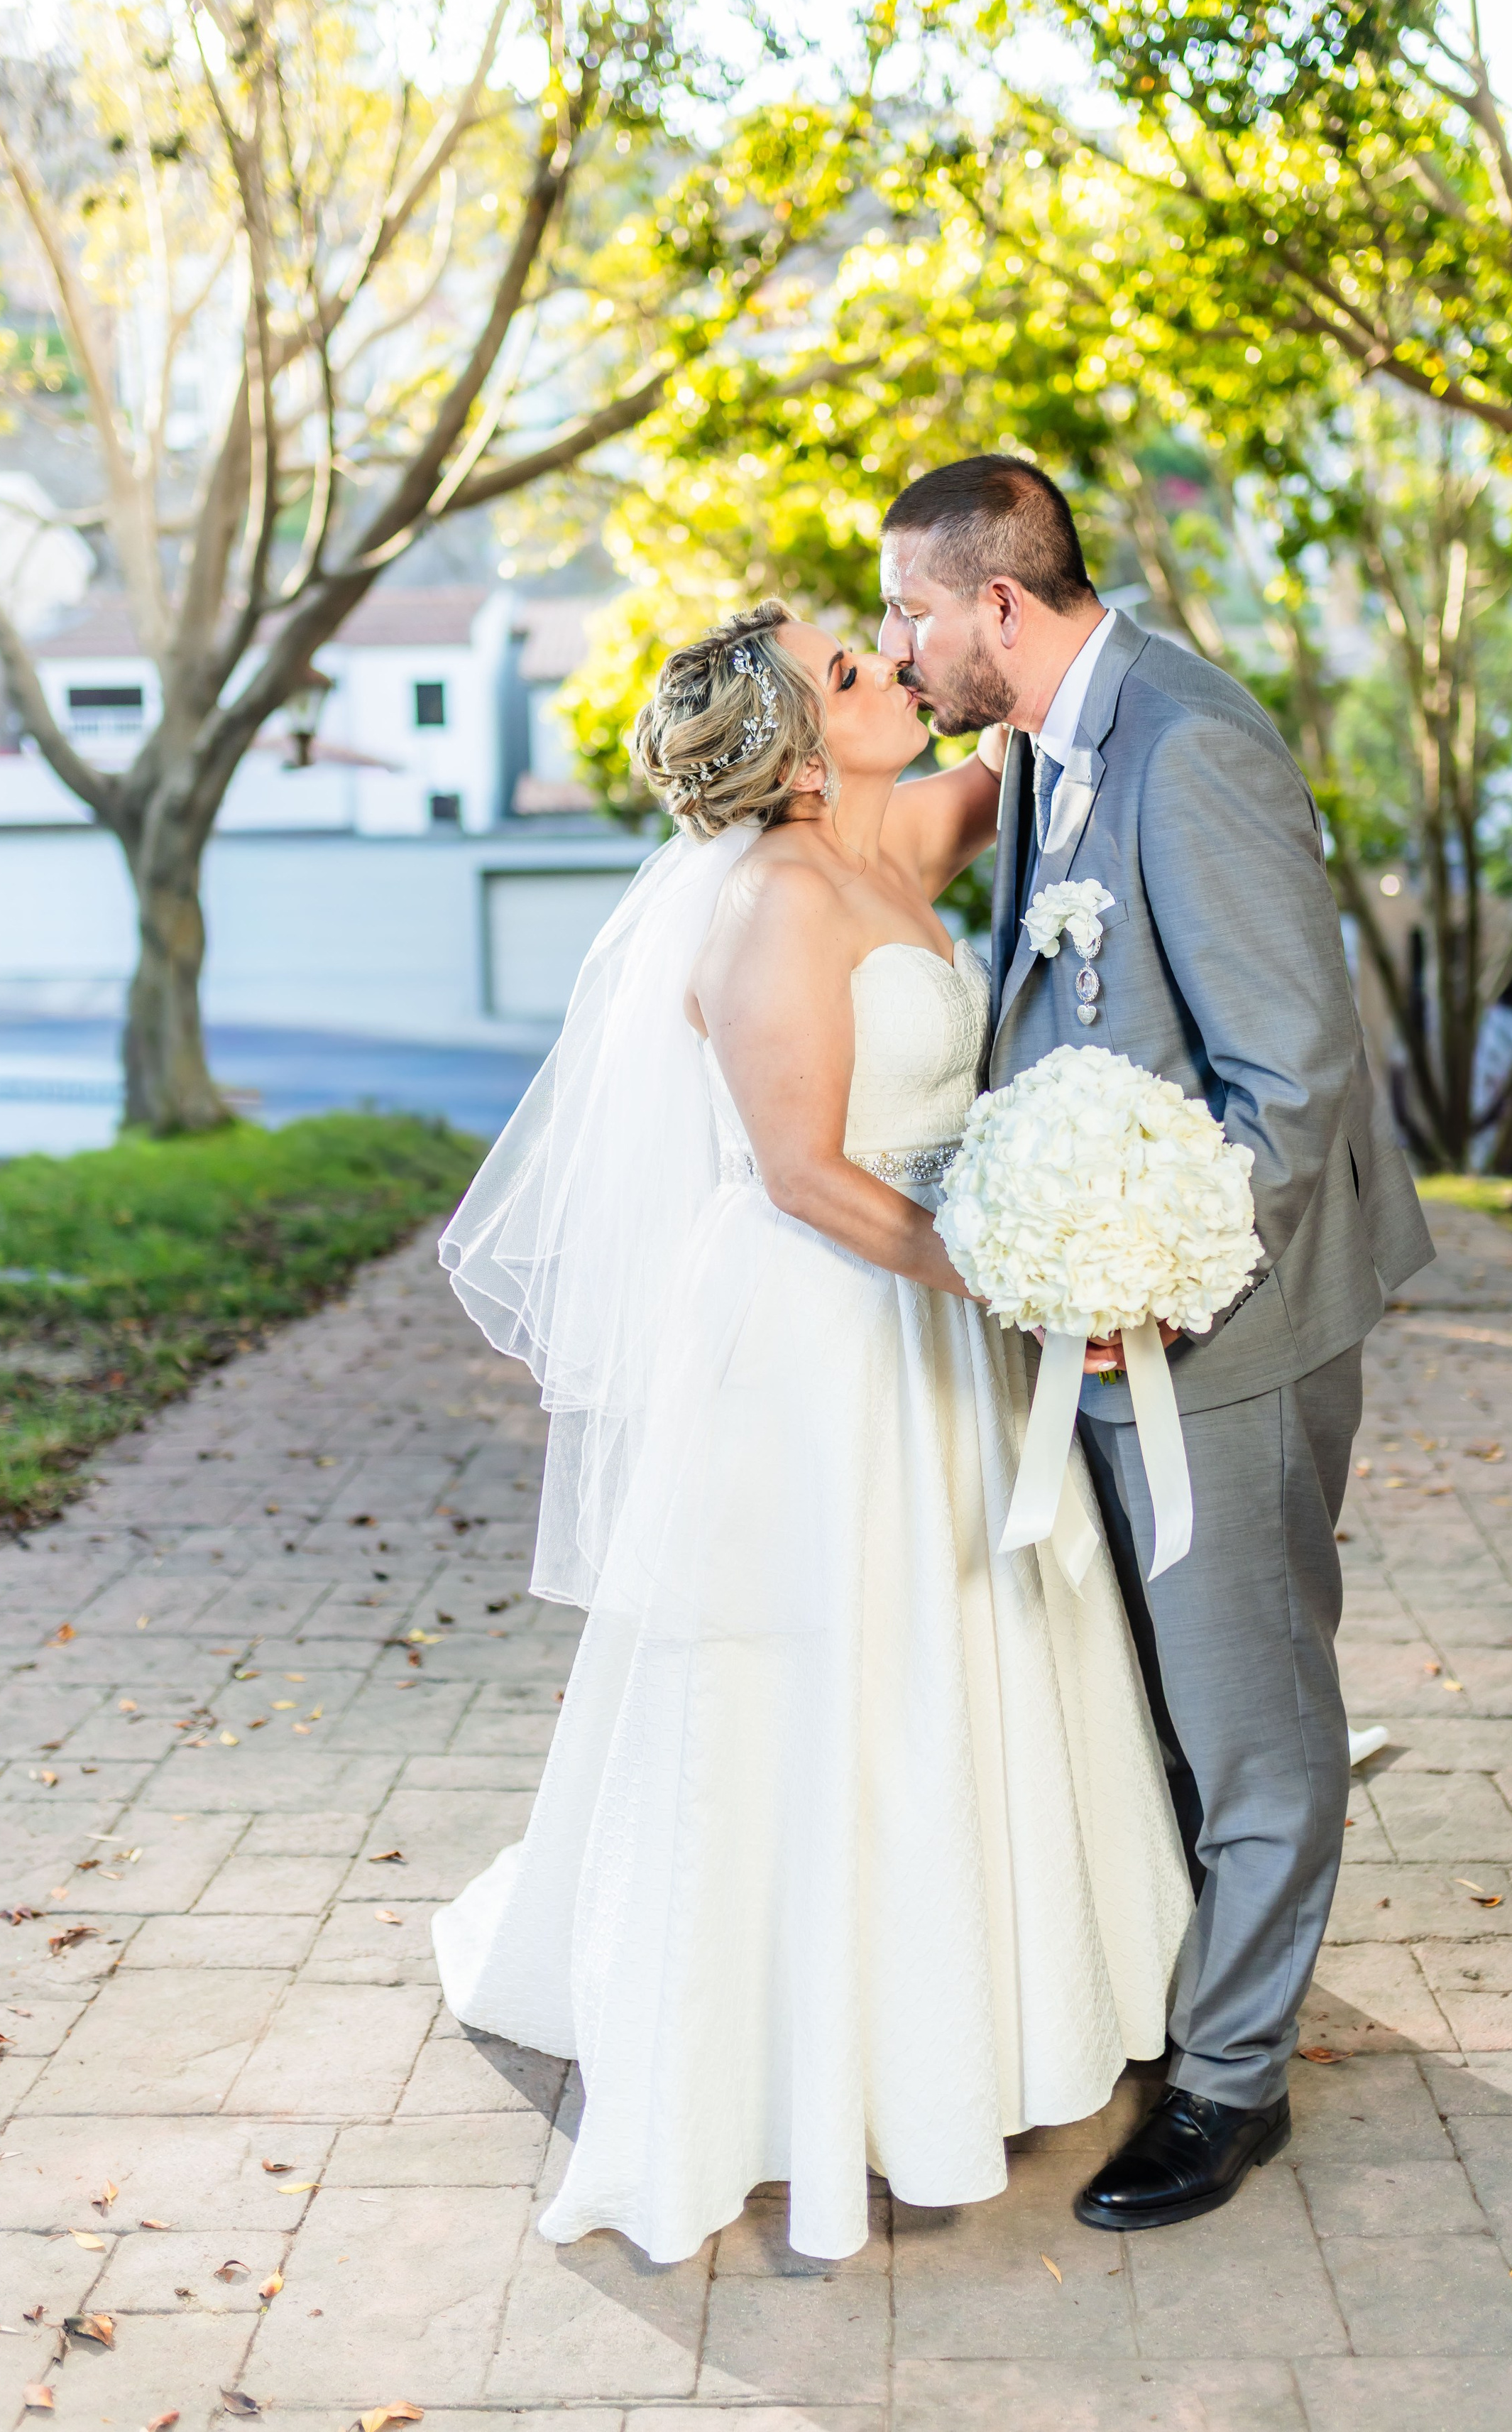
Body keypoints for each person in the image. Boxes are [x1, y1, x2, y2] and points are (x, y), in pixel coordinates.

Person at [432, 600, 1190, 2265]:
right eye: (855, 670)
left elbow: (1027, 730)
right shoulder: (770, 903)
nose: (890, 672)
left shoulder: (898, 828)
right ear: (788, 746)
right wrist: (1011, 1275)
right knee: (836, 1673)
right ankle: (815, 2044)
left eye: (877, 644)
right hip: (830, 1326)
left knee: (976, 1650)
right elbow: (801, 1174)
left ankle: (1012, 1996)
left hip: (936, 1298)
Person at [880, 457, 1435, 2231]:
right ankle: (1220, 1991)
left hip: (1218, 1318)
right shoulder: (1043, 739)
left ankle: (1228, 2086)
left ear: (997, 607)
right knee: (1169, 1698)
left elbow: (1293, 1076)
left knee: (1251, 1707)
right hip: (1103, 1308)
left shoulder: (1186, 746)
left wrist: (1152, 1277)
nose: (898, 649)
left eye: (908, 612)